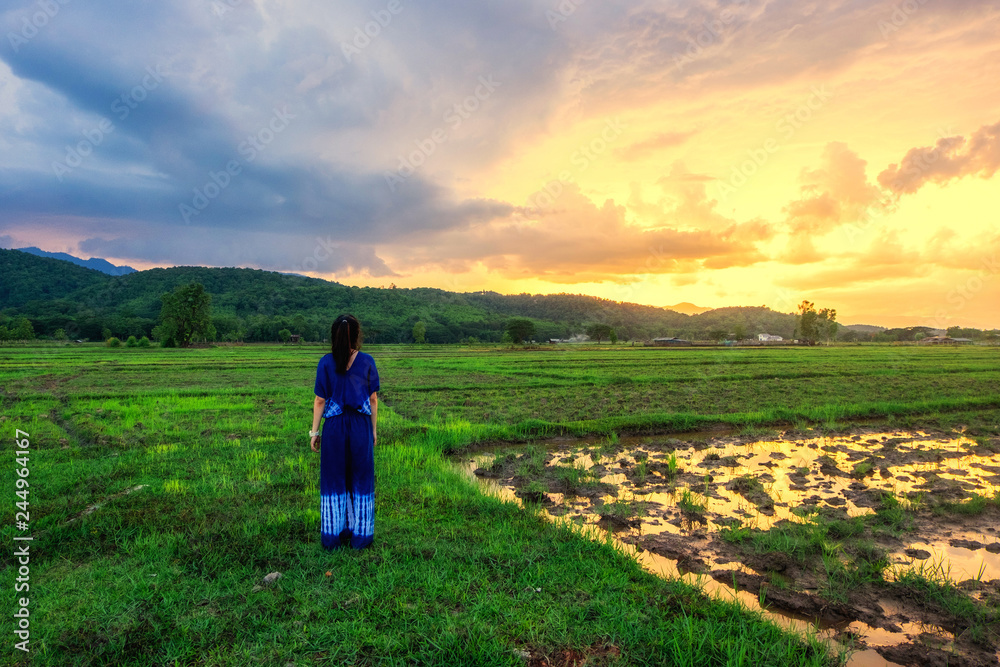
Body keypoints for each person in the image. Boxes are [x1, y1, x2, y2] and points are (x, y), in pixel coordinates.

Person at [310, 314, 379, 550]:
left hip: (335, 428)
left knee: (334, 477)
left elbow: (320, 401)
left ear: (333, 335)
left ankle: (333, 537)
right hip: (360, 426)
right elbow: (373, 399)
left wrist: (314, 432)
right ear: (357, 335)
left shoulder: (325, 363)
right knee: (361, 477)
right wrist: (374, 430)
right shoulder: (367, 360)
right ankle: (360, 537)